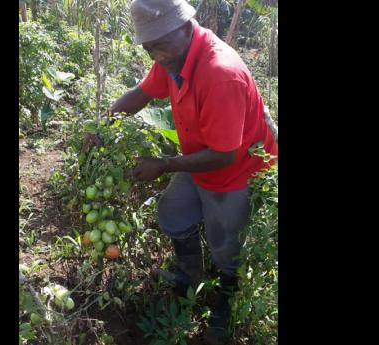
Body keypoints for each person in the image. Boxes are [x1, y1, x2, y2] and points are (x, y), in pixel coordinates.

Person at [85, 1, 277, 344]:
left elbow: (224, 154)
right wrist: (105, 124)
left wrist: (165, 164)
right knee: (173, 214)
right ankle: (189, 276)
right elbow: (142, 93)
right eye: (148, 48)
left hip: (235, 169)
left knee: (226, 246)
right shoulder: (174, 57)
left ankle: (226, 301)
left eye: (160, 45)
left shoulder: (220, 72)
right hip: (200, 156)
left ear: (188, 27)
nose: (155, 55)